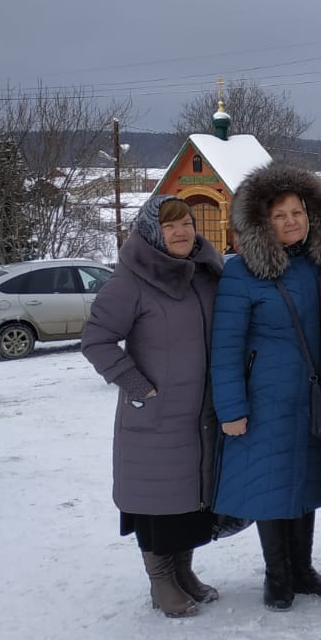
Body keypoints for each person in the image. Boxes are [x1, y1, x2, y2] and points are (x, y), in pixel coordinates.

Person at [81, 196, 225, 618]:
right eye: (170, 225)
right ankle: (161, 580)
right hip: (155, 419)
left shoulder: (204, 274)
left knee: (190, 503)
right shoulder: (131, 281)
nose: (182, 232)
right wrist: (137, 385)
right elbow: (96, 340)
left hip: (200, 415)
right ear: (150, 232)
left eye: (187, 222)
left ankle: (184, 573)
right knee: (157, 506)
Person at [210, 164, 321, 611]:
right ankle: (277, 575)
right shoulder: (242, 274)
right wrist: (231, 409)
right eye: (279, 214)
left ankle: (303, 569)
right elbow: (225, 347)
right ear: (262, 222)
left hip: (313, 396)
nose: (290, 221)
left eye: (297, 212)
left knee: (304, 482)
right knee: (272, 486)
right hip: (265, 400)